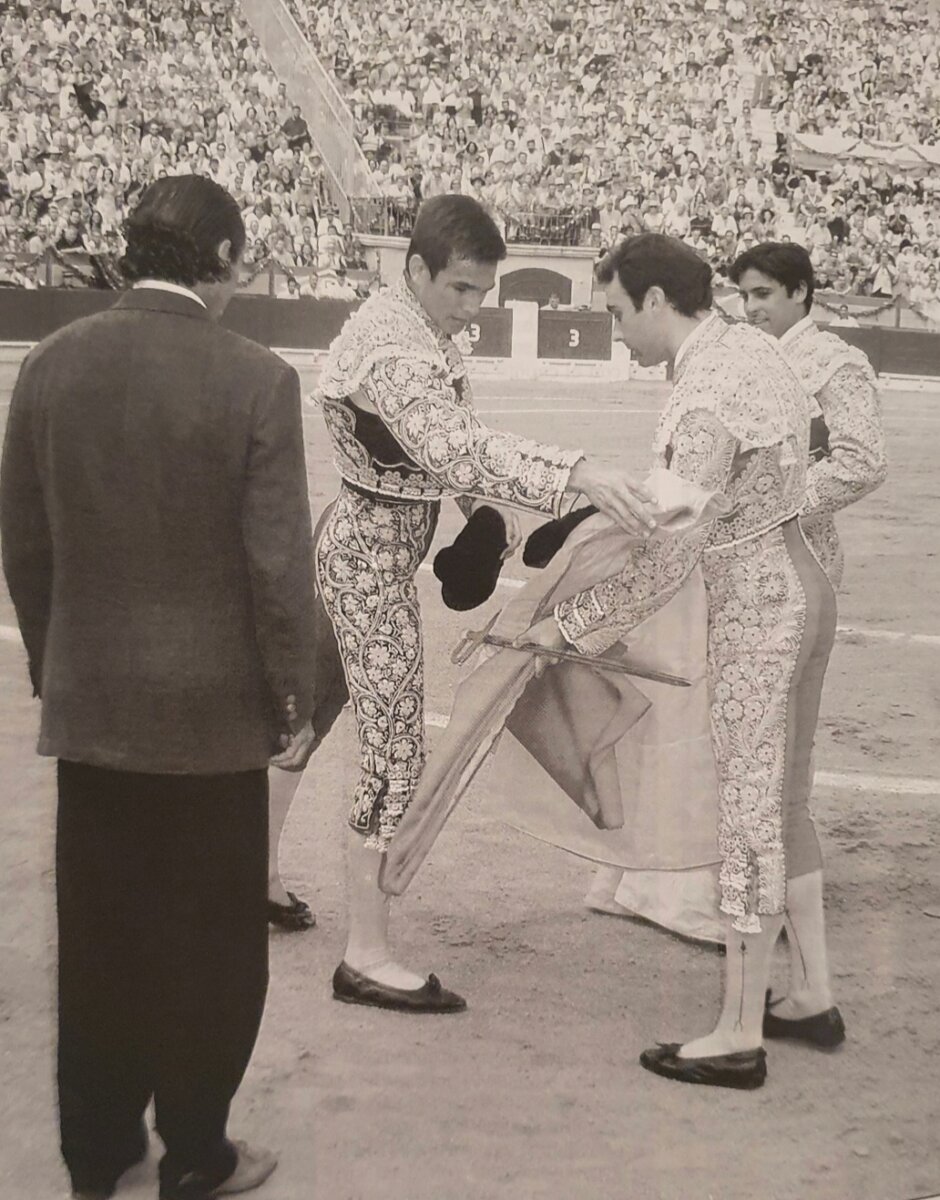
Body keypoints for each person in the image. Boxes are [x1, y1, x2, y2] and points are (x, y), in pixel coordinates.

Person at [0, 175, 320, 1200]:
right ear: (223, 257)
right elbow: (277, 571)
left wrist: (60, 672)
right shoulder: (256, 377)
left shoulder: (48, 365)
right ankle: (197, 1149)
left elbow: (27, 548)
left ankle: (97, 1154)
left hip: (95, 711)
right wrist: (290, 700)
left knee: (98, 942)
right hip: (212, 720)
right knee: (213, 949)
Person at [311, 193, 658, 1014]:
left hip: (372, 549)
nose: (471, 309)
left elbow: (449, 454)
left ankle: (259, 879)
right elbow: (452, 445)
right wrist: (577, 471)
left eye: (481, 294)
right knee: (394, 748)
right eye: (460, 290)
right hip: (365, 562)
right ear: (418, 268)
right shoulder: (393, 352)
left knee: (315, 710)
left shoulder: (420, 330)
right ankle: (363, 955)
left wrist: (483, 516)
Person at [519, 234, 841, 1088]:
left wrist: (571, 627)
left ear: (659, 301)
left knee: (747, 811)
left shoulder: (703, 396)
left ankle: (740, 1031)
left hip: (759, 606)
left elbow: (666, 557)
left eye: (619, 312)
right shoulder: (752, 347)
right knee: (781, 798)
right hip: (805, 586)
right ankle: (806, 995)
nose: (617, 331)